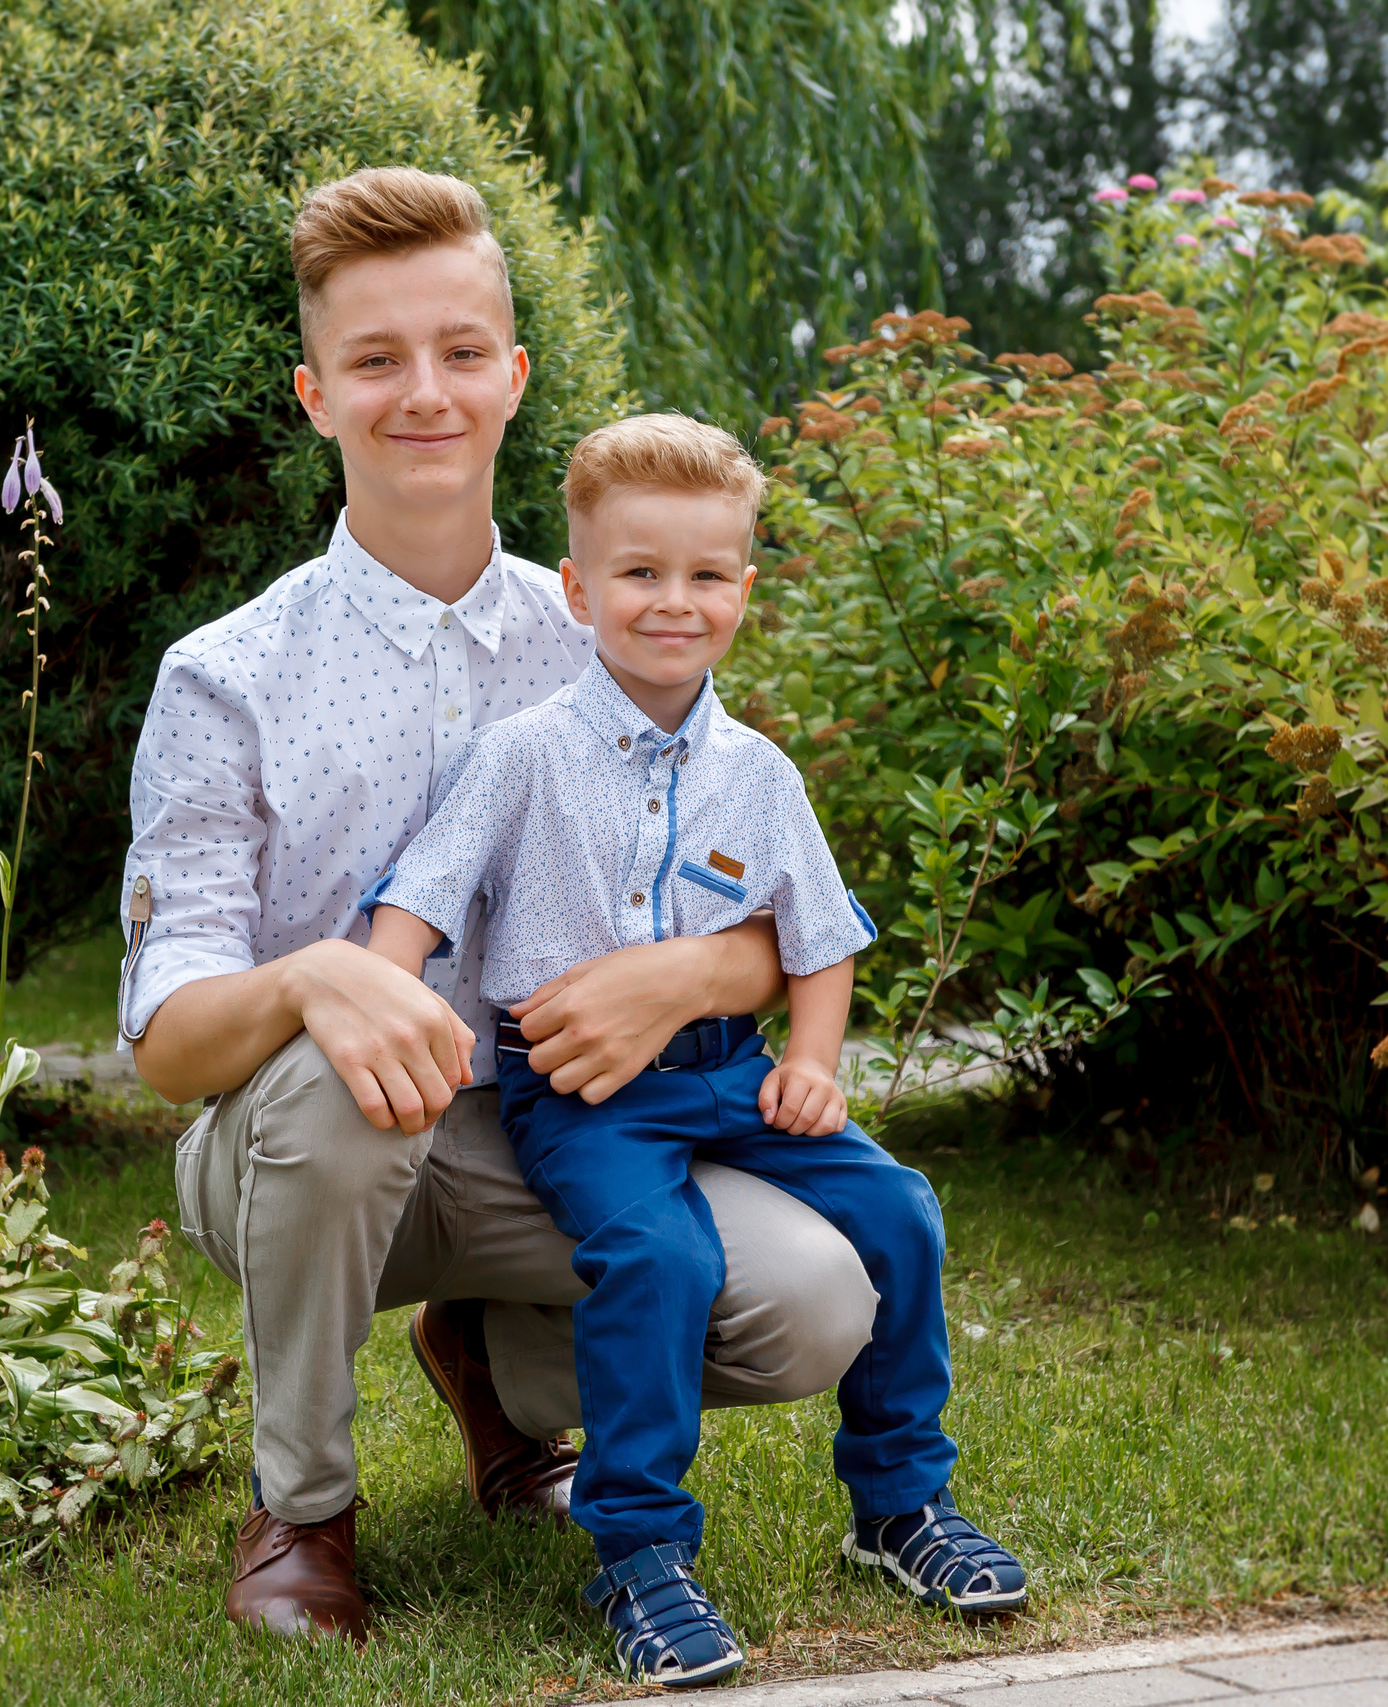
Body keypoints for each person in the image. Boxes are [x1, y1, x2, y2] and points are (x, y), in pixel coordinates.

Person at [120, 167, 882, 1644]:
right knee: (354, 1090)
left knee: (814, 1297)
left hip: (568, 1129)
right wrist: (310, 984)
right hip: (301, 1156)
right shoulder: (227, 674)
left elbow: (767, 901)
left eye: (462, 351)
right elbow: (165, 1037)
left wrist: (687, 977)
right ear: (314, 393)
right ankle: (305, 1504)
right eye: (377, 359)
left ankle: (501, 1363)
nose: (427, 393)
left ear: (514, 376)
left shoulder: (611, 622)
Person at [364, 413, 1027, 1689]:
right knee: (661, 1255)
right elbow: (423, 895)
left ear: (744, 588)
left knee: (900, 1213)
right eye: (640, 572)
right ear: (579, 587)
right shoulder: (524, 755)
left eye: (706, 574)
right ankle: (640, 1554)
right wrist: (390, 1001)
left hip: (730, 1073)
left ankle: (898, 1505)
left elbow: (817, 934)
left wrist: (816, 1062)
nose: (674, 601)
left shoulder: (760, 773)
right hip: (587, 1097)